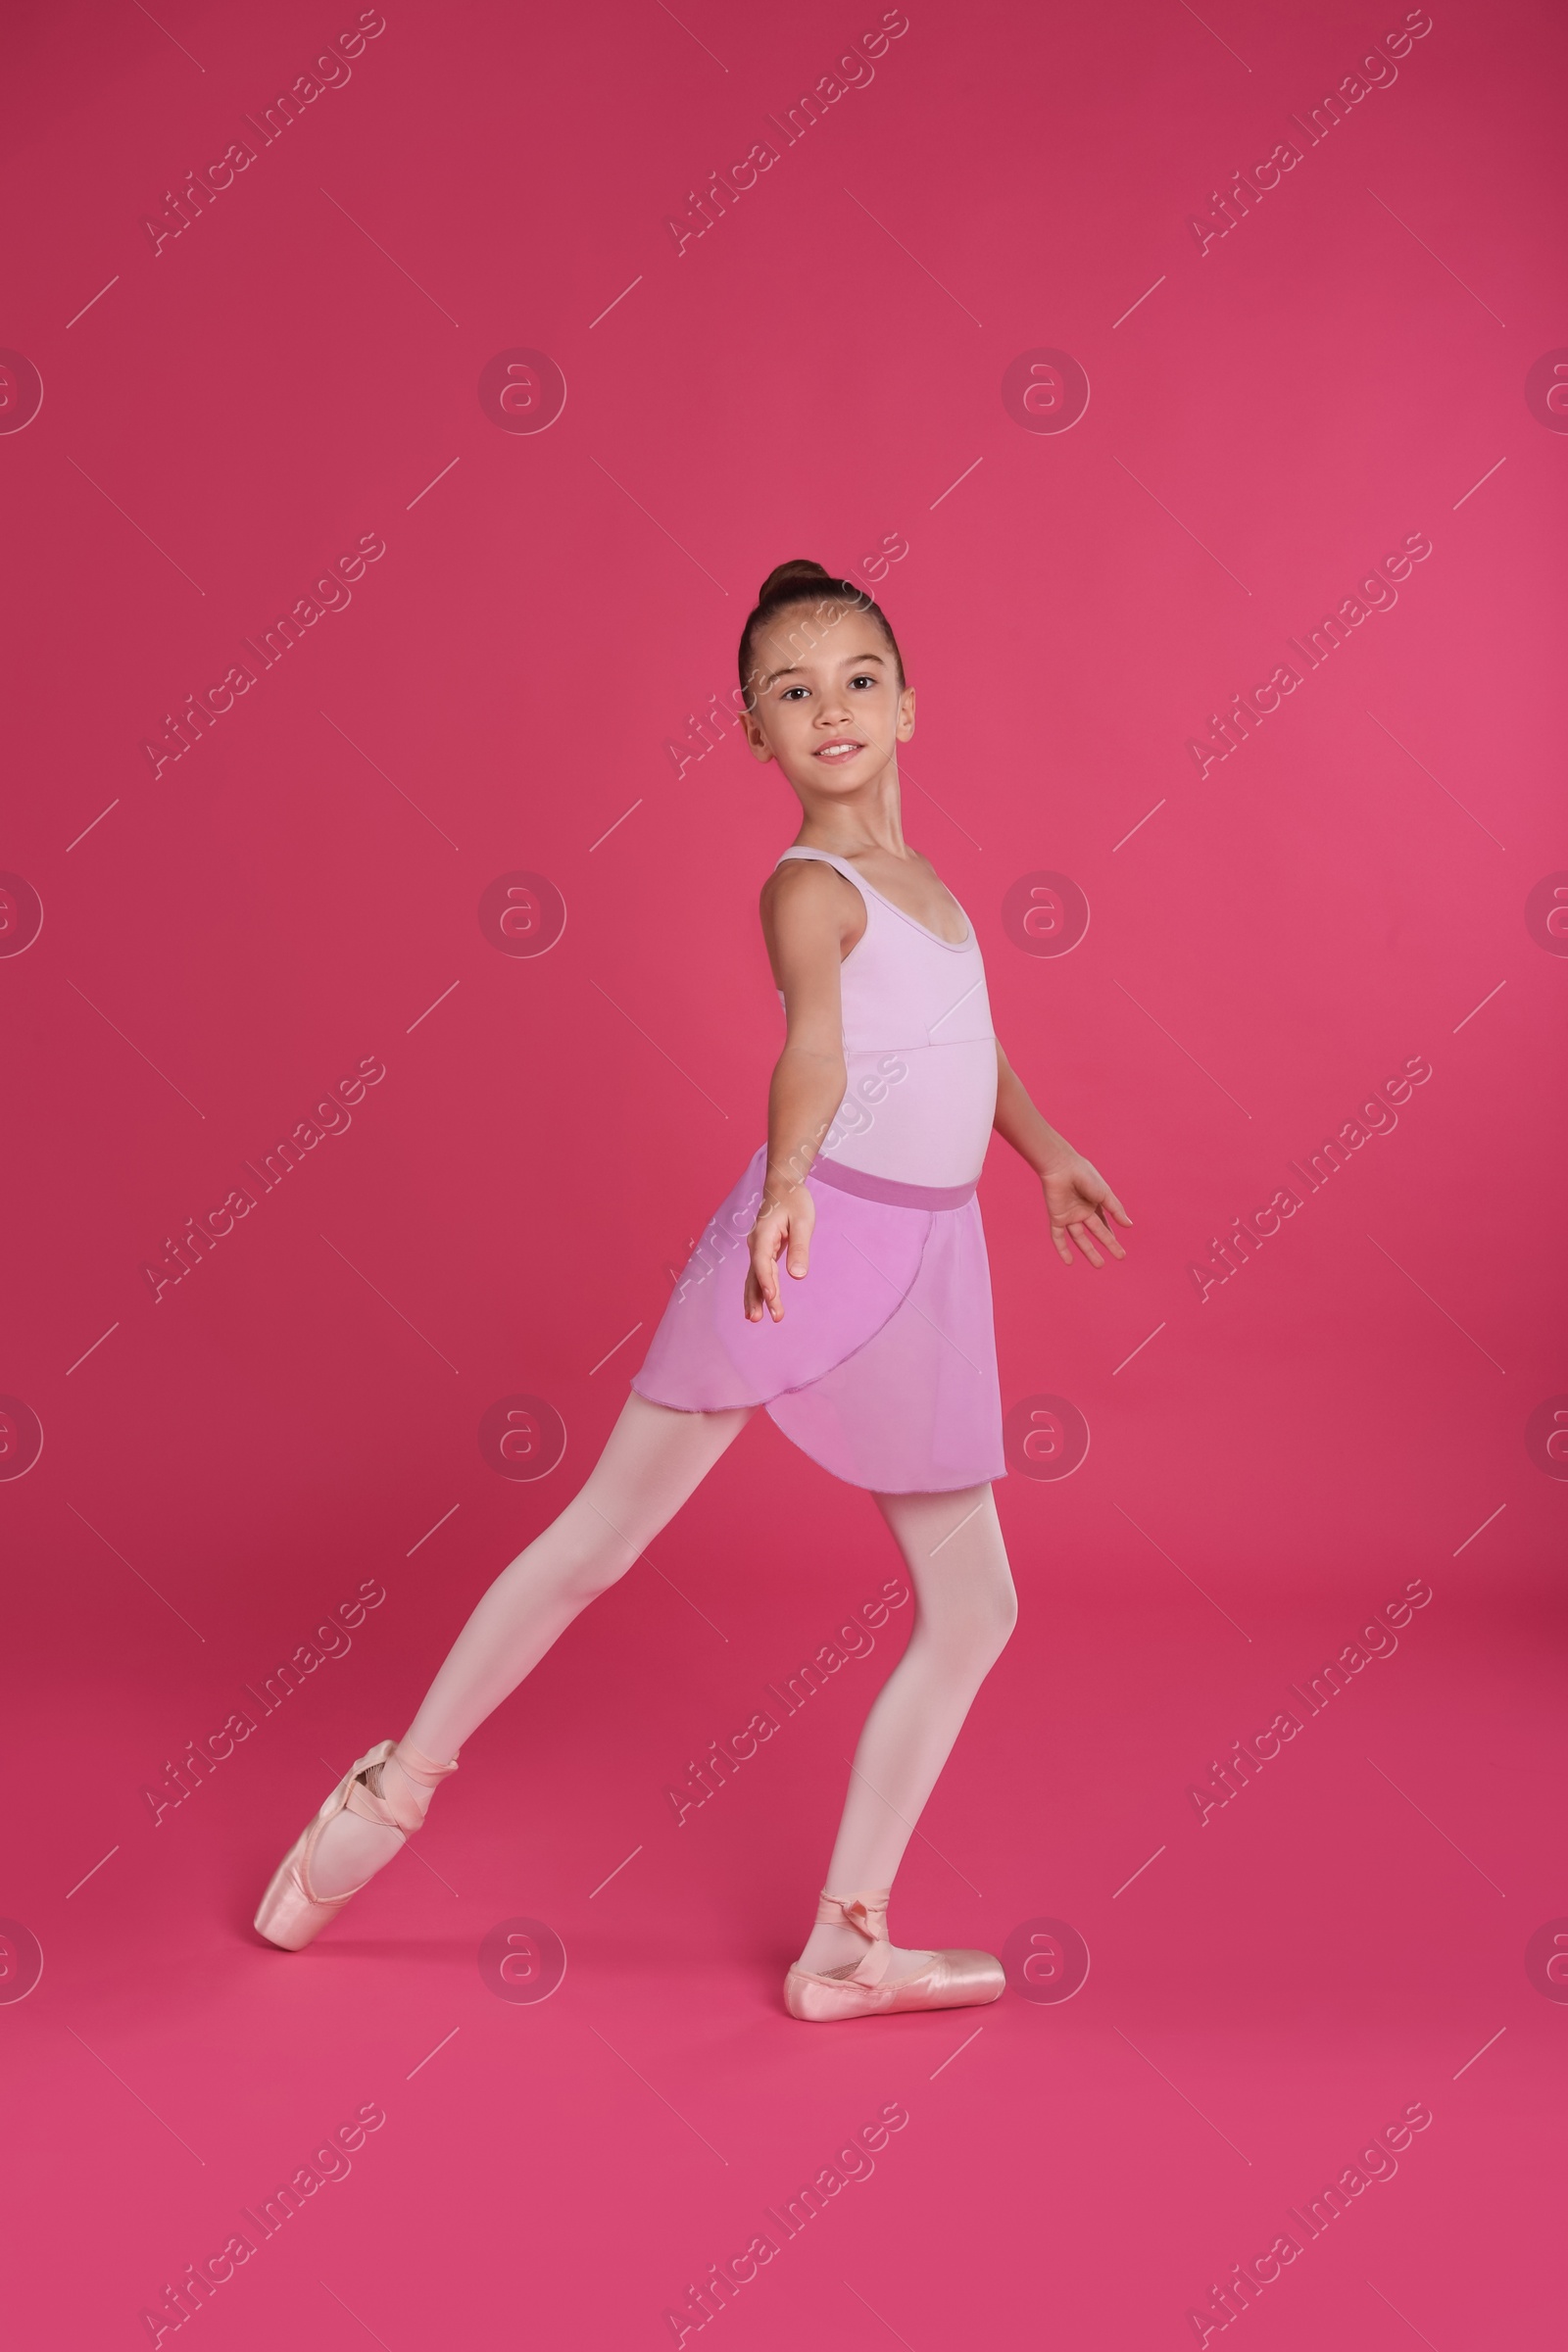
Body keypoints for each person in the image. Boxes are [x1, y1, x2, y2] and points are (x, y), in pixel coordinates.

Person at [254, 559, 1132, 2021]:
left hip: (928, 1261)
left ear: (909, 705)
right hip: (811, 1239)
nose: (830, 707)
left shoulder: (937, 894)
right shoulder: (811, 889)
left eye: (857, 679)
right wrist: (787, 1185)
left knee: (975, 1605)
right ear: (752, 731)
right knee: (603, 1534)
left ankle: (849, 1940)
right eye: (792, 691)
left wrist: (1044, 1153)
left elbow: (962, 1048)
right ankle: (389, 1792)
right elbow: (818, 1053)